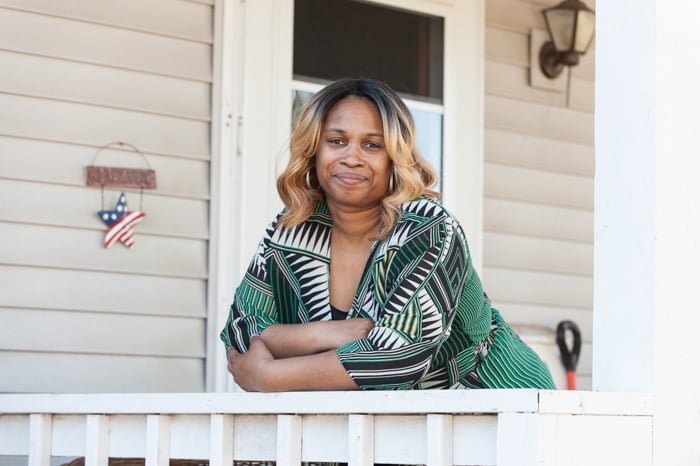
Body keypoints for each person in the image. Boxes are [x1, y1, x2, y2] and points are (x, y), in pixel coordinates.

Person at [220, 78, 556, 391]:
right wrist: (324, 333)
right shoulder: (294, 228)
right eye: (337, 141)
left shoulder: (427, 228)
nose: (351, 158)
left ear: (395, 157)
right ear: (314, 151)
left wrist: (268, 376)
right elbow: (240, 330)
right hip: (392, 421)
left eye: (372, 145)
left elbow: (398, 355)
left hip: (498, 399)